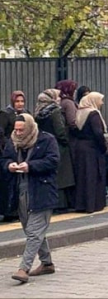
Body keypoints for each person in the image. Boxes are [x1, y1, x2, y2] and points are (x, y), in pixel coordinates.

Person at [2, 114, 59, 283]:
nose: (18, 133)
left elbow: (53, 161)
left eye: (21, 130)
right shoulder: (12, 142)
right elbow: (4, 159)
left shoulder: (46, 140)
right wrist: (9, 165)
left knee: (34, 232)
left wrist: (31, 166)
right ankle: (47, 263)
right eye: (16, 129)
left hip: (41, 189)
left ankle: (23, 268)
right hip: (20, 190)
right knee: (30, 229)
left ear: (29, 128)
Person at [34, 89, 75, 212]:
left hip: (43, 145)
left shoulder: (38, 112)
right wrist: (66, 141)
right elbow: (60, 130)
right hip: (58, 145)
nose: (59, 98)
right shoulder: (55, 111)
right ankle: (61, 204)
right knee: (62, 176)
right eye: (57, 96)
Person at [75, 92, 107, 214]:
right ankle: (92, 204)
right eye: (100, 100)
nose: (102, 103)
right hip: (92, 149)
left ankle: (82, 204)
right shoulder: (93, 114)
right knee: (92, 177)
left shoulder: (80, 112)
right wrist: (103, 146)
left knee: (83, 177)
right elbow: (98, 133)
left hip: (81, 148)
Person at [0, 91, 28, 222]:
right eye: (17, 101)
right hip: (11, 152)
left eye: (22, 101)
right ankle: (10, 212)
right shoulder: (6, 114)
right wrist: (10, 144)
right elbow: (3, 133)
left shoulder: (26, 114)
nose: (20, 104)